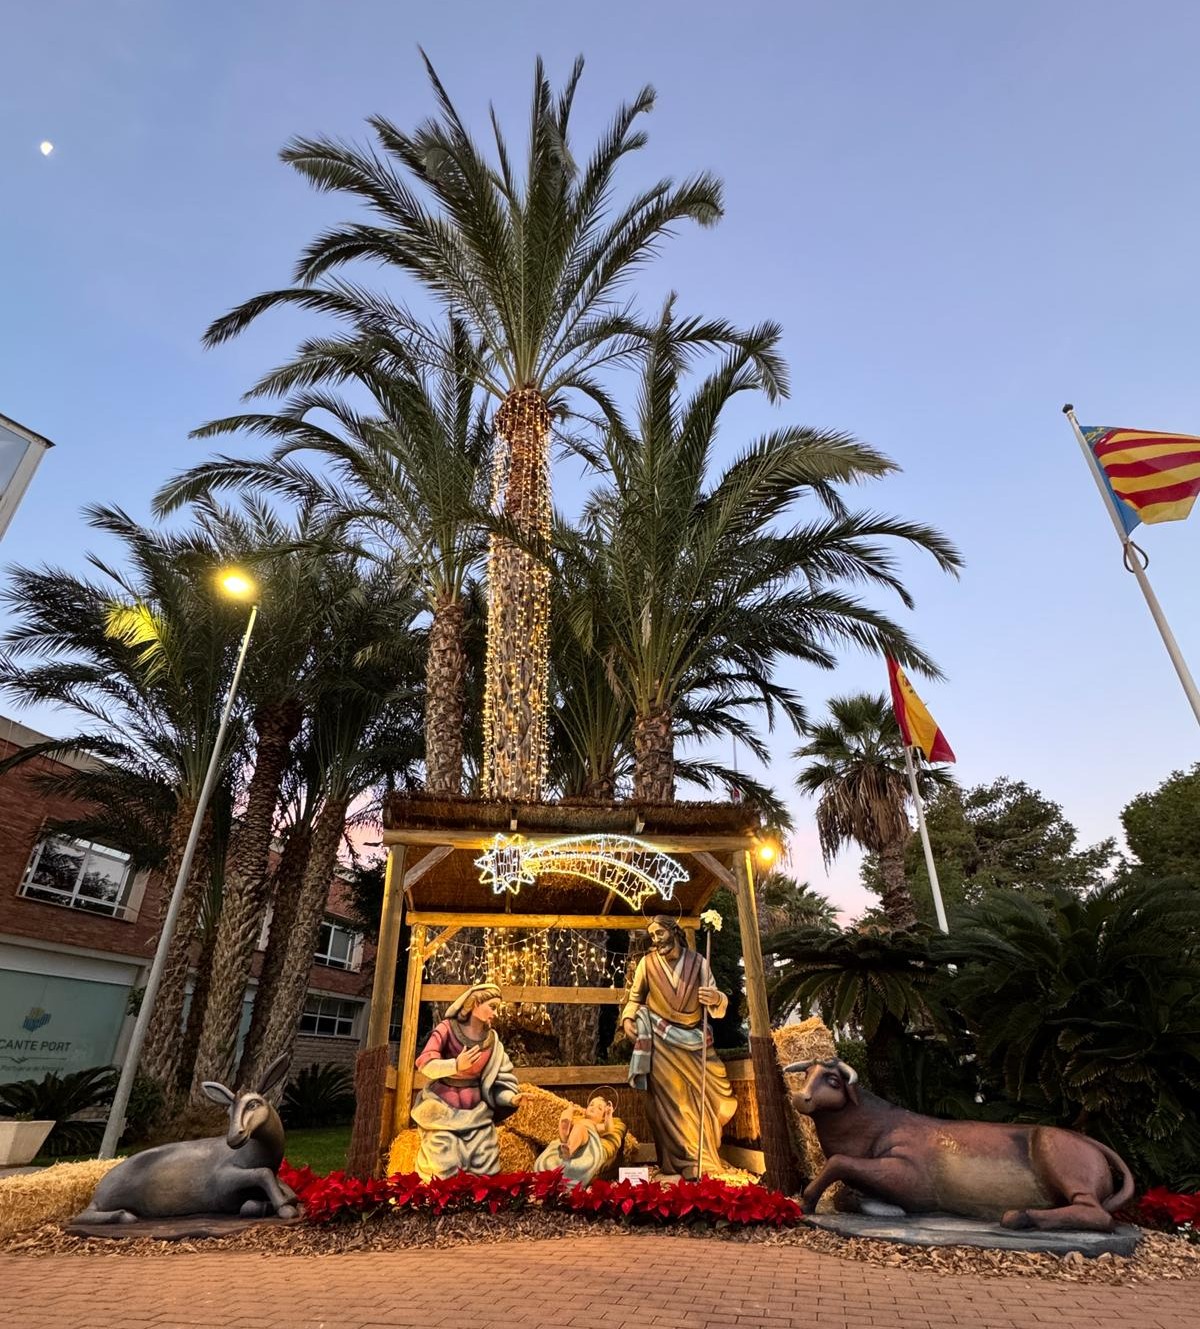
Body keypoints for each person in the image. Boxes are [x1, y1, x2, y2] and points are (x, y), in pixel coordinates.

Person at [621, 916, 736, 1178]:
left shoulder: (699, 962)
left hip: (695, 1040)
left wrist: (715, 998)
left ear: (674, 931)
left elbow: (717, 999)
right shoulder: (647, 964)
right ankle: (686, 1162)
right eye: (652, 936)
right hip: (661, 1042)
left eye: (660, 933)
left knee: (712, 1098)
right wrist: (628, 1019)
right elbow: (635, 998)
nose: (656, 940)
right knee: (676, 1102)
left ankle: (704, 1157)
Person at [411, 981, 522, 1180]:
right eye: (492, 1007)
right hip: (442, 1115)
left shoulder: (492, 1041)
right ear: (475, 1003)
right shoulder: (447, 1028)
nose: (495, 1013)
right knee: (443, 1163)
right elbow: (425, 1064)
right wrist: (455, 1065)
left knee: (486, 1164)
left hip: (477, 1118)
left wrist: (511, 1099)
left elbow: (500, 1079)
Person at [533, 1093, 625, 1189]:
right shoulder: (578, 1121)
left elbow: (608, 1128)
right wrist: (570, 1110)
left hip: (586, 1141)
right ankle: (566, 1124)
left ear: (602, 1117)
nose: (593, 1108)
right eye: (591, 1105)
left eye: (599, 1108)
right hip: (571, 1138)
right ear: (585, 1110)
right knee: (570, 1124)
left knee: (580, 1128)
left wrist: (609, 1115)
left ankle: (569, 1148)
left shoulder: (596, 1125)